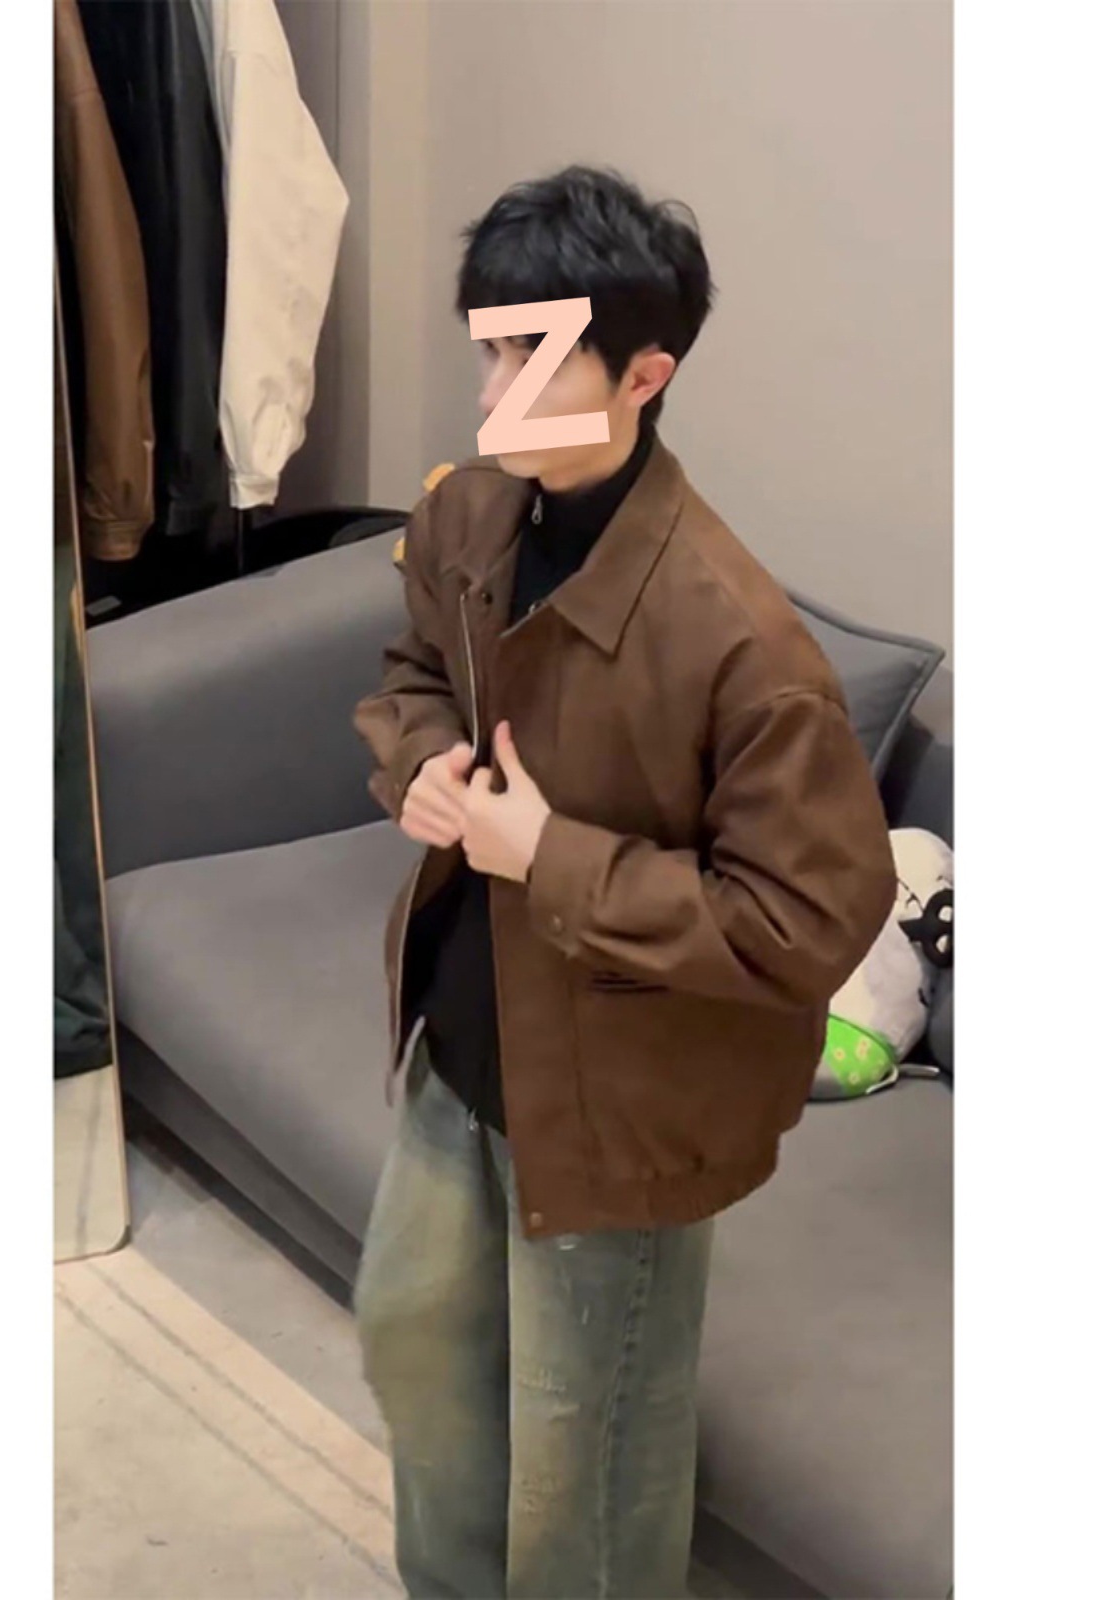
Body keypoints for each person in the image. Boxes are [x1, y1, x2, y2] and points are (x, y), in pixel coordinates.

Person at [351, 164, 897, 1600]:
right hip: (460, 1045)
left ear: (644, 374)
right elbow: (413, 675)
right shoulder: (472, 519)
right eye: (485, 350)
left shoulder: (742, 643)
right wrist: (418, 764)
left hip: (623, 1110)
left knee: (581, 1471)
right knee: (418, 1360)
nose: (487, 393)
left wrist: (551, 856)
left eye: (526, 358)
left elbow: (806, 923)